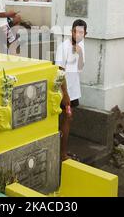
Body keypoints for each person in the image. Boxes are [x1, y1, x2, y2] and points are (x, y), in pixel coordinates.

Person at [55, 19, 87, 161]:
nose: (77, 34)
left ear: (85, 34)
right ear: (71, 32)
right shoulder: (64, 47)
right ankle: (62, 154)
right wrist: (65, 94)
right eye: (75, 31)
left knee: (67, 119)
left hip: (73, 92)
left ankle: (61, 152)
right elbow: (60, 72)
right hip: (64, 93)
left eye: (80, 32)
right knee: (66, 119)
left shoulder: (81, 45)